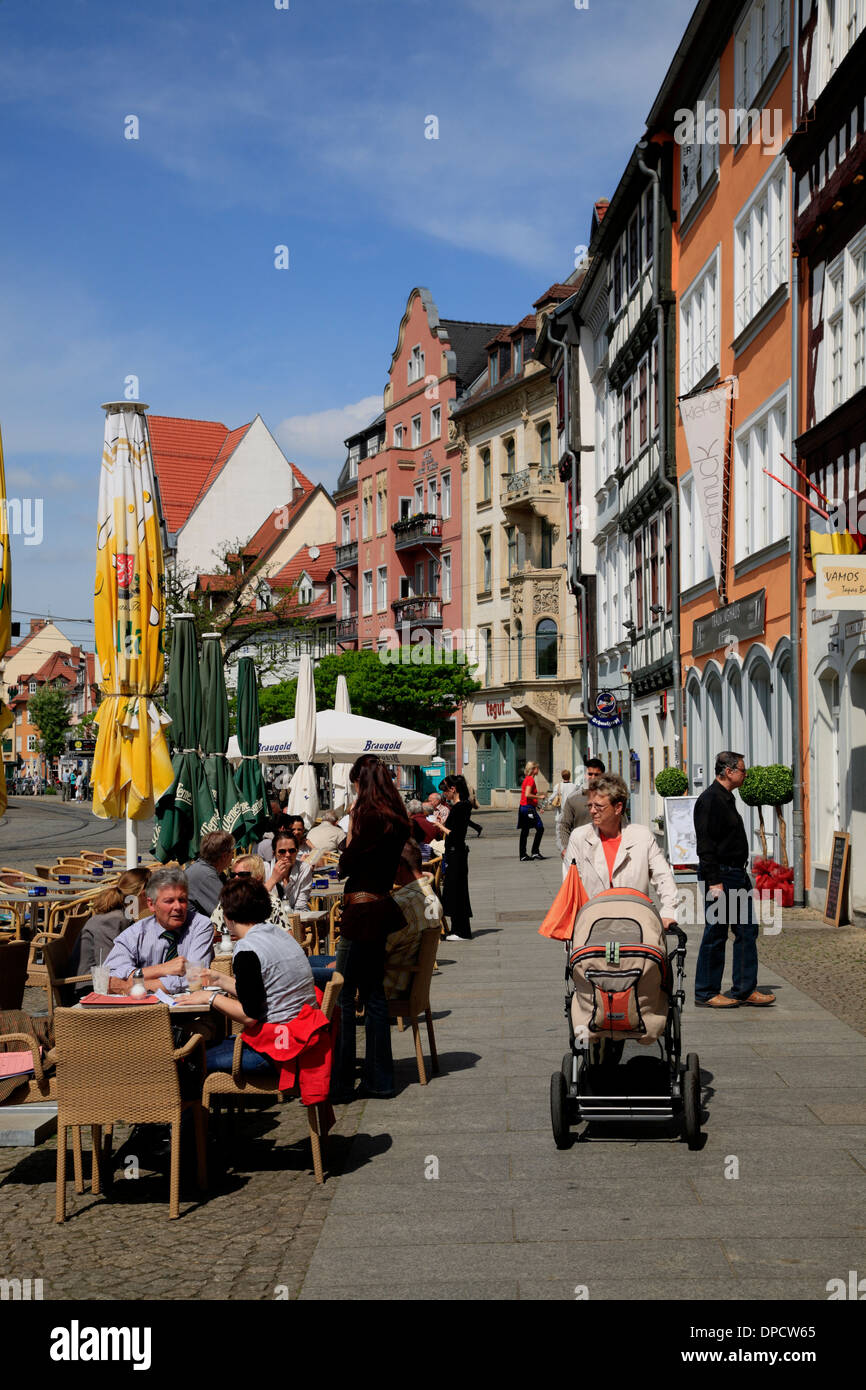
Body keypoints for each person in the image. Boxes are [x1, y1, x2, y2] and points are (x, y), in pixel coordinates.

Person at [184, 877, 319, 1081]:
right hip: (303, 1037)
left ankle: (188, 1112)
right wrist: (219, 979)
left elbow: (250, 1016)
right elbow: (261, 992)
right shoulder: (279, 934)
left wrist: (209, 998)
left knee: (188, 1060)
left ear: (227, 915)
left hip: (277, 1049)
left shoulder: (247, 949)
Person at [332, 754, 410, 1101]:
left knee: (343, 997)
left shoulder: (368, 817)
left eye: (355, 784)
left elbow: (345, 865)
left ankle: (342, 1080)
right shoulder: (395, 818)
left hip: (361, 911)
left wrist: (350, 828)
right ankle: (381, 1078)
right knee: (374, 995)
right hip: (379, 906)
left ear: (363, 783)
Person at [693, 751, 776, 1009]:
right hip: (722, 876)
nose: (746, 774)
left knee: (746, 931)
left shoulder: (727, 798)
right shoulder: (710, 800)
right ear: (728, 771)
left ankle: (744, 988)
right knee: (716, 933)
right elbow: (705, 845)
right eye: (742, 770)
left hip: (737, 875)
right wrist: (714, 881)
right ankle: (706, 991)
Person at [564, 774, 678, 926]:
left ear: (618, 807)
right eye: (589, 805)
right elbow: (570, 886)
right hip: (593, 927)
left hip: (635, 926)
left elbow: (663, 877)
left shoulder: (641, 837)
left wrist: (668, 912)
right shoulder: (580, 837)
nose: (592, 811)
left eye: (598, 806)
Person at [104, 868, 215, 995]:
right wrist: (162, 969)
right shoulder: (134, 934)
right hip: (139, 1011)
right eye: (169, 901)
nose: (178, 907)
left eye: (182, 900)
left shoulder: (200, 925)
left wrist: (130, 986)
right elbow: (109, 978)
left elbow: (194, 979)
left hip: (189, 1010)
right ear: (151, 904)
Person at [68, 867, 151, 991]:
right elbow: (111, 966)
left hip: (101, 984)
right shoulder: (112, 920)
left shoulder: (123, 916)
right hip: (88, 989)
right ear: (144, 894)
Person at [387, 839, 440, 994]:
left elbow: (377, 949)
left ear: (398, 867)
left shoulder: (403, 903)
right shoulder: (432, 897)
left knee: (326, 970)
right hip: (412, 982)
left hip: (390, 985)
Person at [211, 853, 295, 935]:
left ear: (258, 877)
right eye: (233, 875)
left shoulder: (272, 903)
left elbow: (288, 938)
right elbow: (212, 931)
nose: (236, 878)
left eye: (242, 874)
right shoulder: (226, 902)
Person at [440, 774, 473, 940]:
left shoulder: (461, 807)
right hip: (456, 852)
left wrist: (439, 825)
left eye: (445, 791)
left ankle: (460, 931)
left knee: (456, 890)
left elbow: (456, 835)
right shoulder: (462, 806)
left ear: (453, 789)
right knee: (456, 890)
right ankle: (458, 929)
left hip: (456, 852)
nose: (444, 794)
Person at [185, 831, 235, 918]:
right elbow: (229, 910)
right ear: (224, 856)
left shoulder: (206, 869)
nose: (233, 856)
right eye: (232, 852)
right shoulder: (206, 876)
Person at [265, 833, 313, 911]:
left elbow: (300, 907)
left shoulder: (304, 868)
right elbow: (255, 901)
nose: (287, 855)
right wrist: (273, 880)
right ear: (274, 853)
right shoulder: (265, 869)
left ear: (297, 851)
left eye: (292, 850)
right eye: (282, 851)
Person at [517, 761, 545, 861]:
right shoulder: (530, 780)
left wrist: (538, 806)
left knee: (525, 831)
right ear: (533, 769)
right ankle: (534, 852)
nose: (538, 770)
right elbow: (527, 794)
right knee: (540, 828)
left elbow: (529, 797)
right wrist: (539, 796)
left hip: (525, 807)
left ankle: (523, 854)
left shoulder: (528, 779)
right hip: (527, 809)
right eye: (537, 768)